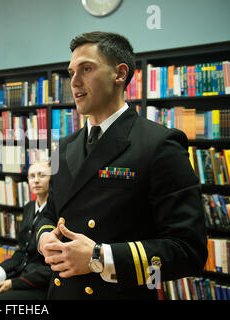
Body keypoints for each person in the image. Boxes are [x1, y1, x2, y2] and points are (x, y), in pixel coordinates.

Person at [36, 31, 208, 300]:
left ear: (119, 74)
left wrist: (100, 258)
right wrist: (44, 239)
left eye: (87, 68)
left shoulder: (160, 144)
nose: (75, 82)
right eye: (71, 72)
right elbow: (48, 214)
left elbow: (188, 251)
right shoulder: (64, 146)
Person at [0, 160, 52, 300]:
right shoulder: (29, 207)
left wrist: (13, 283)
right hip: (20, 272)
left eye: (42, 175)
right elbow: (22, 251)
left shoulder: (56, 212)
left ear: (52, 179)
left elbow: (50, 268)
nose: (36, 180)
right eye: (32, 176)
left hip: (39, 284)